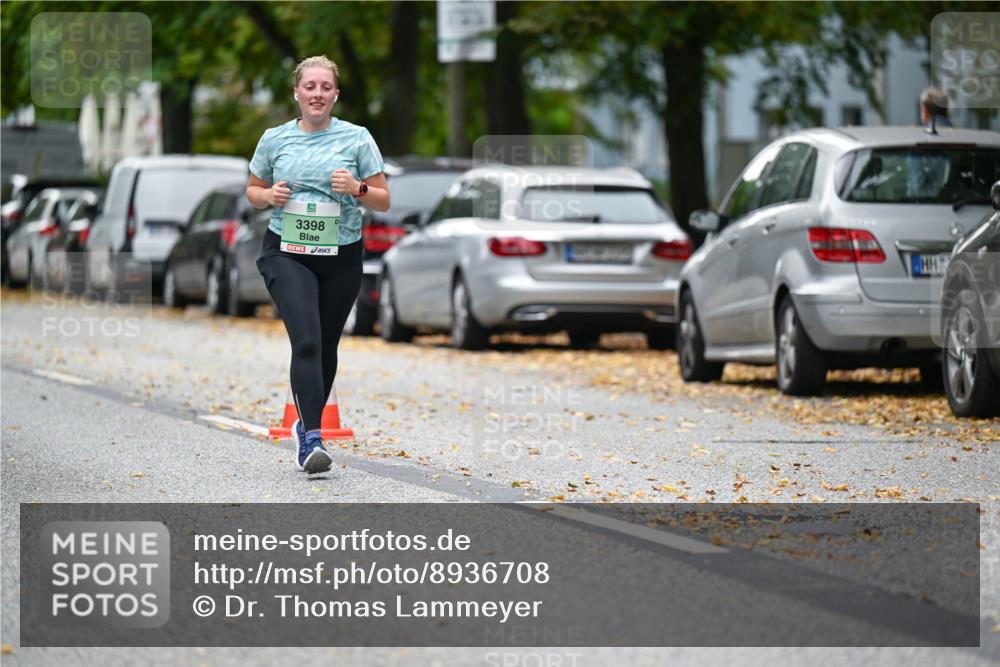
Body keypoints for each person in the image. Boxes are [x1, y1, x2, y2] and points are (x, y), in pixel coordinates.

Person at [246, 55, 389, 474]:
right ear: (297, 92)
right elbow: (253, 190)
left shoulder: (357, 138)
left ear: (335, 94)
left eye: (325, 87)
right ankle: (311, 437)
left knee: (326, 345)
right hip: (287, 251)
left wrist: (358, 187)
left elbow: (383, 198)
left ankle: (308, 427)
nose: (317, 94)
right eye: (310, 86)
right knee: (306, 339)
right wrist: (269, 196)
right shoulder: (275, 139)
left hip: (342, 254)